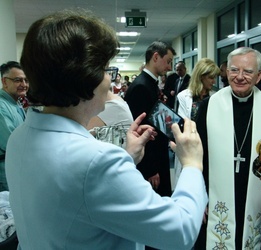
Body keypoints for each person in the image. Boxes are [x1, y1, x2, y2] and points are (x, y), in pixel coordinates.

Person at [5, 9, 207, 250]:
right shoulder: (95, 162)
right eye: (104, 70)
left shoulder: (20, 137)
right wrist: (192, 165)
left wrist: (126, 156)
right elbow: (180, 232)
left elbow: (76, 198)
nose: (109, 80)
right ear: (84, 79)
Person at [196, 47, 261, 249]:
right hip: (216, 190)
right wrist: (200, 194)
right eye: (234, 70)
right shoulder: (209, 105)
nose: (240, 77)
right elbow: (197, 153)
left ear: (258, 76)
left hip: (257, 191)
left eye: (248, 72)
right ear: (226, 72)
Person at [124, 41, 176, 197]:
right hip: (151, 162)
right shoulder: (141, 86)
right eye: (168, 62)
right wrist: (151, 169)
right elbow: (141, 131)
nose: (169, 67)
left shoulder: (149, 84)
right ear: (155, 57)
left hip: (159, 155)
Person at [173, 58, 220, 188]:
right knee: (190, 184)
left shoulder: (215, 97)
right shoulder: (184, 97)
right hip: (190, 146)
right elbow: (182, 123)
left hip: (209, 147)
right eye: (211, 77)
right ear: (201, 76)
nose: (214, 81)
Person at [0, 61, 29, 191]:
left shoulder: (15, 103)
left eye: (26, 80)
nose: (23, 85)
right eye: (18, 80)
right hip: (5, 173)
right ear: (5, 82)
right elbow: (11, 143)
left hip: (17, 168)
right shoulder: (2, 106)